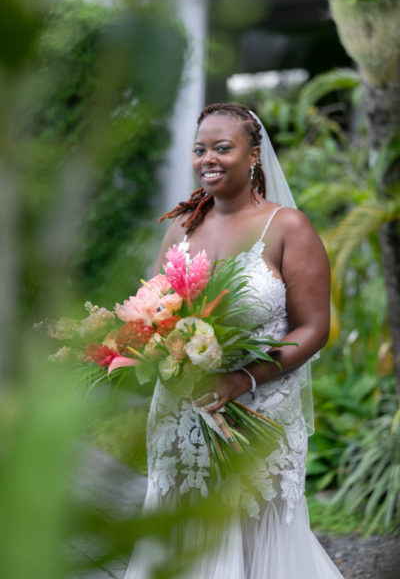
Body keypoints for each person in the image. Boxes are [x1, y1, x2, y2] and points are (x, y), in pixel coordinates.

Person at [125, 103, 344, 578]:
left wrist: (242, 379)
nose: (209, 158)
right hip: (181, 409)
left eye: (223, 148)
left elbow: (313, 328)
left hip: (260, 407)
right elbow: (154, 308)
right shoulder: (182, 227)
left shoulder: (288, 228)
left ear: (253, 155)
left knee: (251, 522)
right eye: (200, 149)